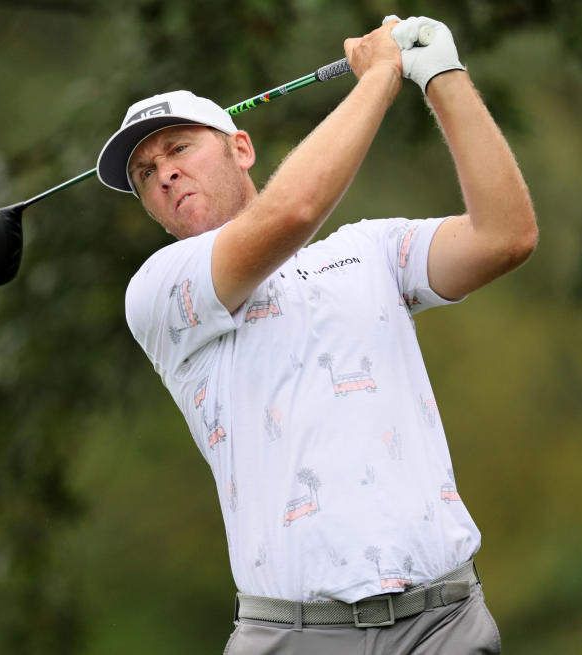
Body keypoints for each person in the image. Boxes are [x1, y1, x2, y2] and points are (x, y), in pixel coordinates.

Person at [96, 15, 536, 655]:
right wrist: (380, 78)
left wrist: (441, 75)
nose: (162, 174)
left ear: (240, 149)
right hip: (295, 636)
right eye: (144, 173)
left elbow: (505, 237)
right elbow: (292, 212)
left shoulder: (369, 250)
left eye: (179, 149)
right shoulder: (160, 291)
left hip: (444, 622)